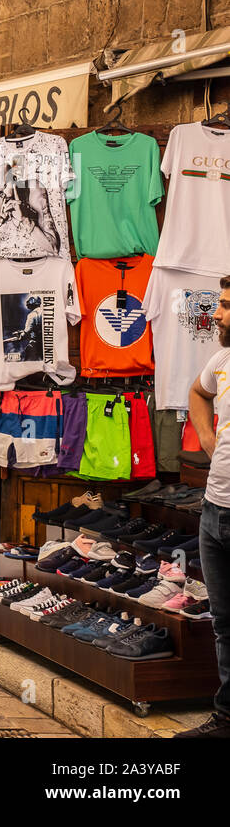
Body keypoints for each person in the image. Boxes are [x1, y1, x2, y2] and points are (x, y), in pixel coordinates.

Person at [178, 276, 230, 737]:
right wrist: (211, 441)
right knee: (225, 624)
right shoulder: (221, 360)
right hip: (215, 509)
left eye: (227, 307)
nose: (216, 314)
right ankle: (227, 718)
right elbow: (198, 393)